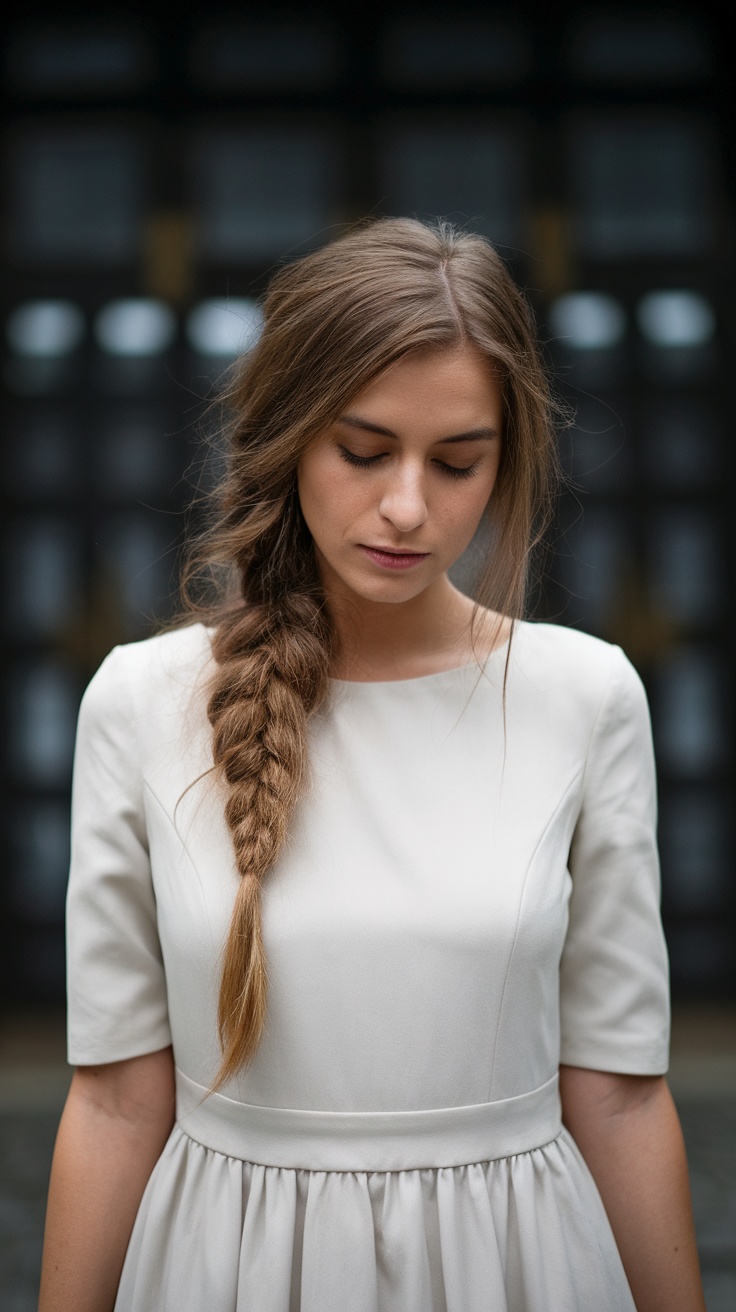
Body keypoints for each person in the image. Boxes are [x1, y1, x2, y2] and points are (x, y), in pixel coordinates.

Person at [39, 217, 706, 1312]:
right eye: (362, 450)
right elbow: (115, 1102)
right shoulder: (140, 703)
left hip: (519, 1266)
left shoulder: (582, 696)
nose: (407, 506)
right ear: (288, 435)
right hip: (228, 1270)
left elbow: (622, 1094)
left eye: (457, 462)